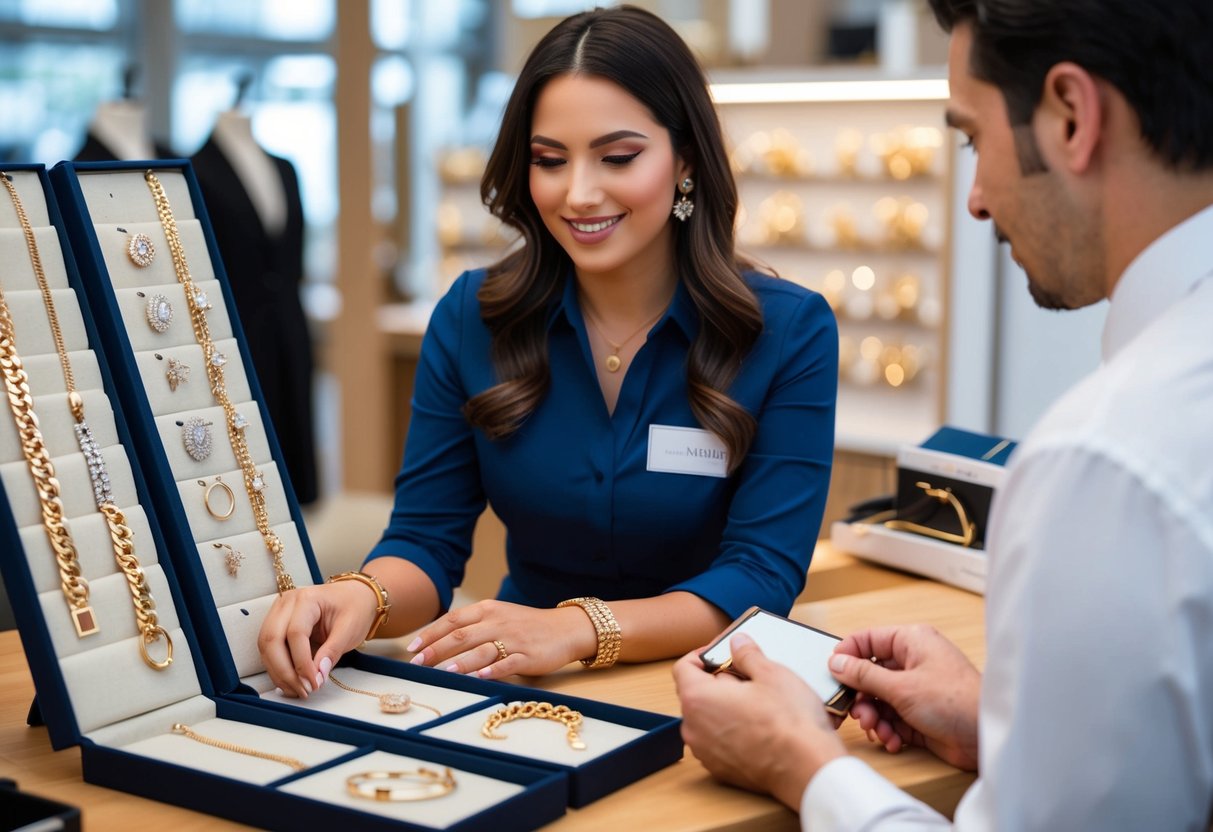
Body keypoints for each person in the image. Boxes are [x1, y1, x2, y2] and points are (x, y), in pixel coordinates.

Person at [674, 0, 1213, 828]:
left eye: (973, 139)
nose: (974, 199)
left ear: (1071, 115)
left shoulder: (1106, 460)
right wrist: (1005, 728)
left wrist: (802, 764)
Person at [259, 6, 837, 698]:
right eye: (548, 161)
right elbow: (425, 541)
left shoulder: (789, 331)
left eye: (617, 157)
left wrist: (575, 628)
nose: (579, 193)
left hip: (712, 688)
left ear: (684, 159)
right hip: (529, 684)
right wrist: (359, 596)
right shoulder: (472, 318)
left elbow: (760, 575)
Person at [193, 107, 320, 505]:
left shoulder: (284, 168)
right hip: (232, 329)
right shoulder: (196, 170)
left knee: (294, 450)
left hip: (289, 325)